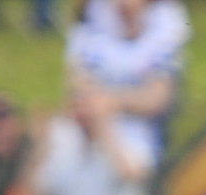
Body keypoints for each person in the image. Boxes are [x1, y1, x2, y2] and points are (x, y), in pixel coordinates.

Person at [64, 0, 187, 155]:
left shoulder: (166, 22)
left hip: (142, 136)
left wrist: (111, 103)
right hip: (92, 129)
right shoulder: (90, 15)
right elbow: (78, 87)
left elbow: (159, 98)